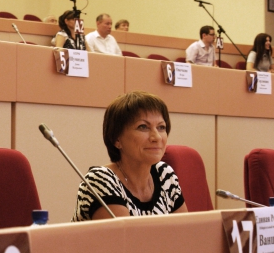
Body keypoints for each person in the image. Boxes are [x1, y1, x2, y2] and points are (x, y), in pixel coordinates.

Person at [72, 91, 188, 221]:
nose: (157, 137)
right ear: (117, 139)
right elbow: (126, 234)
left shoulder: (164, 174)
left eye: (161, 127)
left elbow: (187, 230)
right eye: (143, 127)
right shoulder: (100, 180)